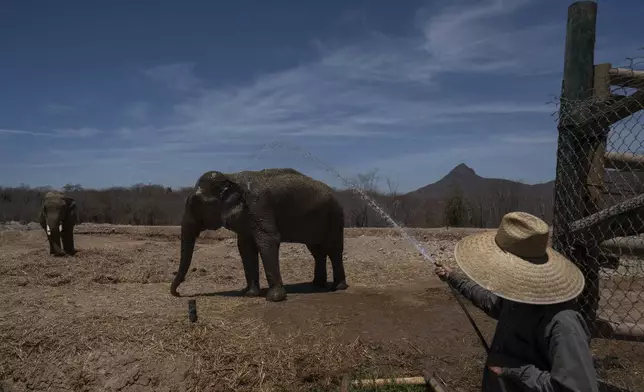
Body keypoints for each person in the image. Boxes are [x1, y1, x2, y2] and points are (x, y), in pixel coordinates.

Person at [434, 211, 598, 392]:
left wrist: (516, 372)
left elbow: (578, 388)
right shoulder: (516, 298)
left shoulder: (564, 324)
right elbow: (489, 301)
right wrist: (453, 277)